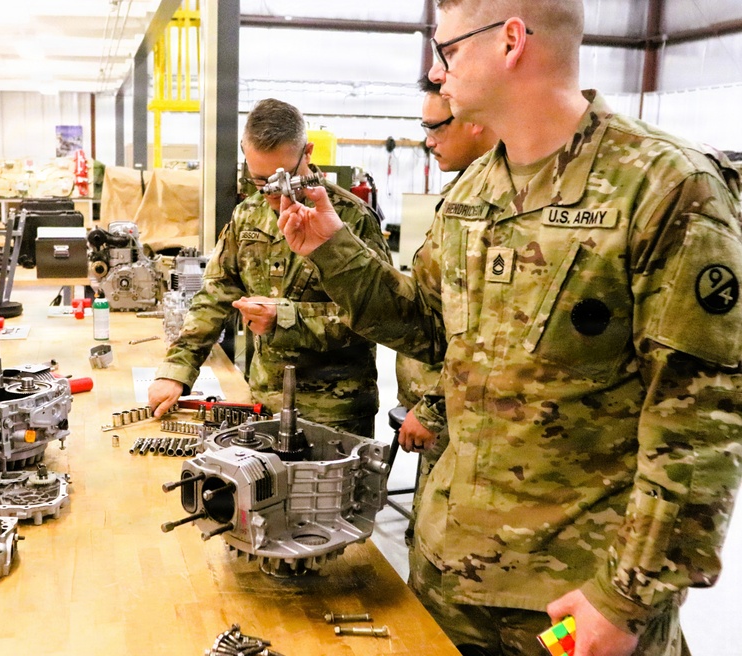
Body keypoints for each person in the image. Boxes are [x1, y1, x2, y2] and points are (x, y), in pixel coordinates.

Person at [277, 1, 742, 654]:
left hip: (572, 599)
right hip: (449, 576)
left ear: (511, 41)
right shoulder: (475, 193)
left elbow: (703, 425)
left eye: (448, 52)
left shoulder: (664, 188)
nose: (438, 75)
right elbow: (425, 329)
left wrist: (626, 596)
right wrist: (332, 247)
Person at [148, 98, 390, 438]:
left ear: (308, 152)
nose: (273, 194)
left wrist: (285, 319)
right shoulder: (248, 215)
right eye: (261, 182)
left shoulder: (351, 219)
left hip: (334, 415)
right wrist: (177, 369)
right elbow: (215, 294)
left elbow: (379, 317)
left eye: (282, 179)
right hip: (264, 403)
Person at [397, 74, 498, 543]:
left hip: (471, 434)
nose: (428, 141)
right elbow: (430, 308)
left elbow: (491, 333)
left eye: (436, 127)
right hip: (437, 425)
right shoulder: (461, 197)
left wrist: (433, 407)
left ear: (474, 121)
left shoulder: (503, 203)